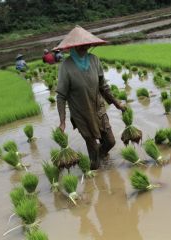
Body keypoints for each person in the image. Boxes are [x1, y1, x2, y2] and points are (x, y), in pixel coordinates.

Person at [55, 26, 126, 170]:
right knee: (93, 149)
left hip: (98, 109)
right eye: (80, 45)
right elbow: (61, 96)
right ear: (73, 47)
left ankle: (100, 156)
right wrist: (62, 122)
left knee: (110, 142)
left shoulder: (94, 60)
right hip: (81, 114)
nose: (84, 47)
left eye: (86, 44)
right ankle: (94, 172)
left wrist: (117, 103)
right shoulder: (66, 66)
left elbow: (103, 87)